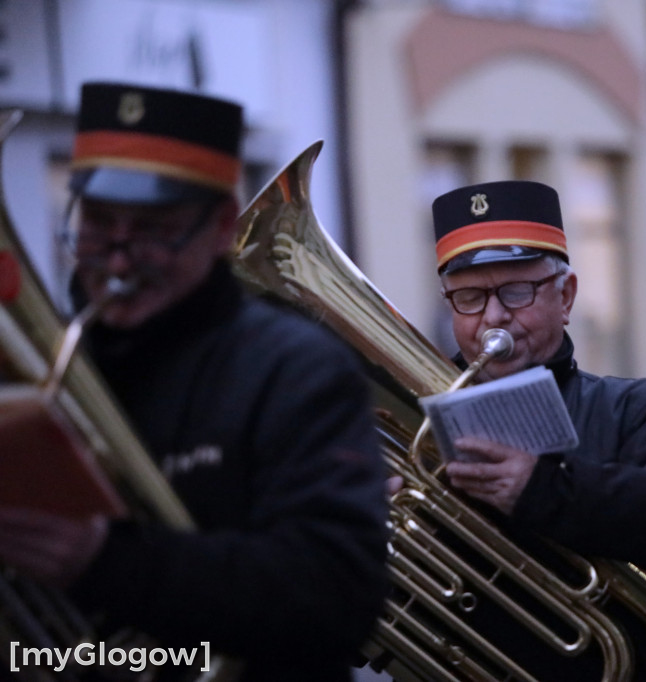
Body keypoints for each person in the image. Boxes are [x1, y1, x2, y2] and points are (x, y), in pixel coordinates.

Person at [0, 82, 389, 681]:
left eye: (155, 230)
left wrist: (107, 561)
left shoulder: (297, 369)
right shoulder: (62, 363)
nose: (120, 261)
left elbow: (338, 597)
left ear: (219, 226)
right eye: (99, 226)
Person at [424, 179, 646, 678]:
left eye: (516, 291)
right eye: (468, 296)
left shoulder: (628, 409)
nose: (493, 317)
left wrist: (548, 490)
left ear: (567, 296)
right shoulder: (417, 434)